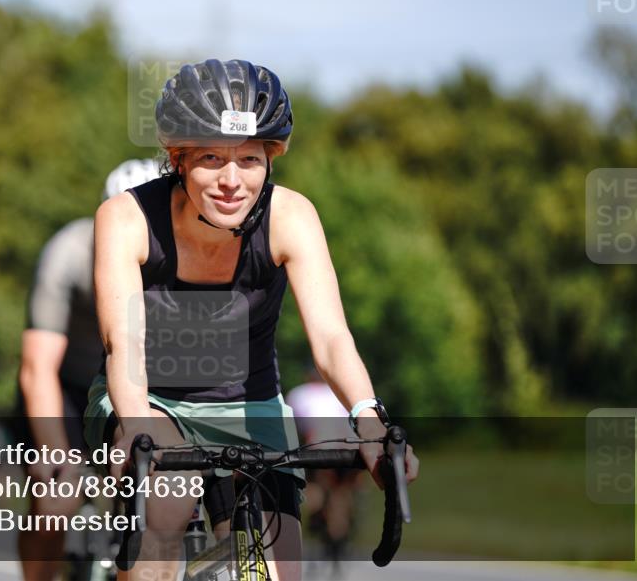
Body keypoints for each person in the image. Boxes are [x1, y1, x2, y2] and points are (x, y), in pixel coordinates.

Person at [86, 59, 419, 581]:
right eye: (211, 158)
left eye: (249, 160)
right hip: (146, 396)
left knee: (278, 568)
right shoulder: (126, 219)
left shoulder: (292, 217)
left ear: (271, 159)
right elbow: (121, 343)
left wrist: (370, 421)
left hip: (249, 402)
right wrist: (139, 424)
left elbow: (331, 338)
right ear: (176, 159)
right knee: (167, 504)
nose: (231, 181)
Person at [16, 159, 161, 581]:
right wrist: (54, 452)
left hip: (137, 387)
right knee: (55, 502)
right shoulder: (69, 253)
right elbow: (37, 367)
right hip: (65, 385)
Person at [286, 376, 362, 577]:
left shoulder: (299, 394)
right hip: (341, 451)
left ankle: (332, 539)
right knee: (335, 499)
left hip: (322, 451)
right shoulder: (343, 390)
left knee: (331, 498)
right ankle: (332, 539)